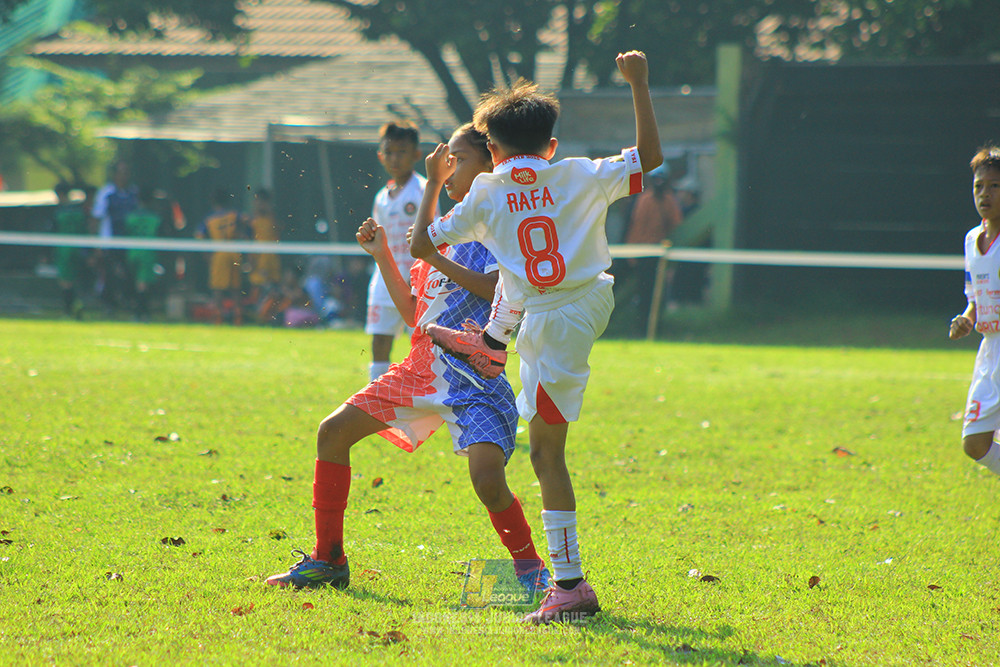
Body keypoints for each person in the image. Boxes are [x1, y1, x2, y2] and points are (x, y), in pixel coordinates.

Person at [410, 50, 663, 624]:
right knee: (518, 273)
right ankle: (494, 341)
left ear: (491, 151)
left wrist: (435, 188)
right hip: (588, 295)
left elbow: (424, 244)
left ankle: (569, 587)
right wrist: (638, 84)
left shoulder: (487, 192)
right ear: (549, 144)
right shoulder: (578, 171)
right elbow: (650, 157)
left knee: (547, 456)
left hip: (554, 321)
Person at [266, 123, 548, 596]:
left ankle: (530, 570)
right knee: (331, 433)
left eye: (456, 158)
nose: (446, 165)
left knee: (487, 481)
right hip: (420, 370)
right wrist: (381, 256)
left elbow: (501, 291)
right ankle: (328, 559)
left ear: (490, 165)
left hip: (474, 377)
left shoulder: (498, 230)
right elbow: (413, 314)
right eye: (445, 159)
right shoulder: (442, 234)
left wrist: (432, 237)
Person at [365, 120, 434, 381]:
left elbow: (431, 234)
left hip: (417, 281)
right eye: (389, 152)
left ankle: (419, 398)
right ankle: (375, 401)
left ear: (416, 155)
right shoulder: (382, 196)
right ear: (381, 155)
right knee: (379, 343)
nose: (395, 158)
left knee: (421, 345)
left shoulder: (425, 190)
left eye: (402, 151)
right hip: (384, 280)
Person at [950, 144, 1000, 476]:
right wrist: (967, 319)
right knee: (974, 443)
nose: (984, 194)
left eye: (995, 186)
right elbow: (975, 298)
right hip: (991, 353)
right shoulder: (972, 240)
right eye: (978, 186)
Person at [618, 163, 683, 321]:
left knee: (650, 294)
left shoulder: (669, 201)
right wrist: (630, 253)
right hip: (634, 251)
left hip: (652, 254)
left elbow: (676, 223)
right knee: (613, 281)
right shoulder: (643, 199)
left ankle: (648, 327)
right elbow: (633, 227)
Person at [91, 160, 138, 316]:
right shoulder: (106, 193)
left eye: (127, 172)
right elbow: (96, 218)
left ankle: (129, 303)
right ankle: (109, 305)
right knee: (110, 275)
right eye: (121, 172)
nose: (124, 176)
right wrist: (97, 244)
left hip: (129, 244)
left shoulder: (133, 193)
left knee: (130, 274)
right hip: (109, 243)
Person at [196, 188, 246, 325]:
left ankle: (218, 318)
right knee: (235, 288)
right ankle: (238, 318)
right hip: (234, 251)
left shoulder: (209, 219)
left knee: (218, 288)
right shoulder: (234, 215)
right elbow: (245, 227)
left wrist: (206, 255)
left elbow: (199, 235)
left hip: (219, 253)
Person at [123, 187, 164, 321]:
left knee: (136, 282)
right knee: (143, 283)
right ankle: (141, 313)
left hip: (132, 251)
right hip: (147, 252)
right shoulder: (155, 217)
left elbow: (126, 232)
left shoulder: (130, 216)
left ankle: (137, 312)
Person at [50, 182, 89, 319]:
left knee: (66, 281)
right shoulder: (79, 211)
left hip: (64, 250)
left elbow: (53, 231)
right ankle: (79, 305)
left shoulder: (59, 212)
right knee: (77, 278)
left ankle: (69, 310)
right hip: (79, 249)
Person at [247, 188, 281, 302]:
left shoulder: (273, 219)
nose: (259, 204)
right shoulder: (252, 220)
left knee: (271, 286)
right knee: (257, 284)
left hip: (271, 258)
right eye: (257, 201)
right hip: (258, 257)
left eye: (262, 202)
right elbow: (250, 240)